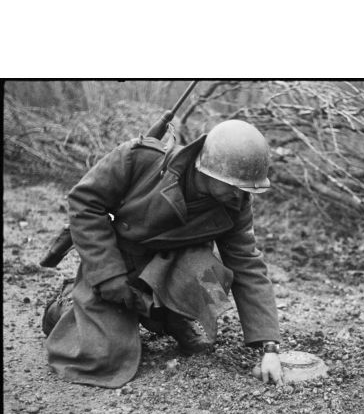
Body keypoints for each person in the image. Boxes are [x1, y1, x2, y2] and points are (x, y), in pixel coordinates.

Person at [42, 119, 285, 388]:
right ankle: (67, 302)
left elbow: (247, 263)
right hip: (120, 262)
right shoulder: (140, 159)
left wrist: (269, 346)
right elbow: (85, 204)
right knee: (102, 360)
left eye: (247, 189)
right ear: (211, 172)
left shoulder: (234, 203)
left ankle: (173, 317)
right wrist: (107, 274)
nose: (241, 196)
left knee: (211, 281)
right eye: (235, 186)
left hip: (170, 268)